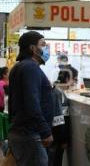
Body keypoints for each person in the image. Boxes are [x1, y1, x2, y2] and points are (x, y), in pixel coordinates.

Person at [8, 31, 54, 166]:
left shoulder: (19, 67)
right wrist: (45, 131)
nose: (46, 48)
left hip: (21, 131)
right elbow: (32, 103)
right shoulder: (30, 68)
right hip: (30, 134)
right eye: (43, 44)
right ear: (33, 49)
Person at [48, 66, 78, 166]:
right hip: (56, 140)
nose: (75, 83)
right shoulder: (59, 94)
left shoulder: (55, 90)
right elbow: (60, 119)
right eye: (75, 79)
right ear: (67, 79)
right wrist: (63, 140)